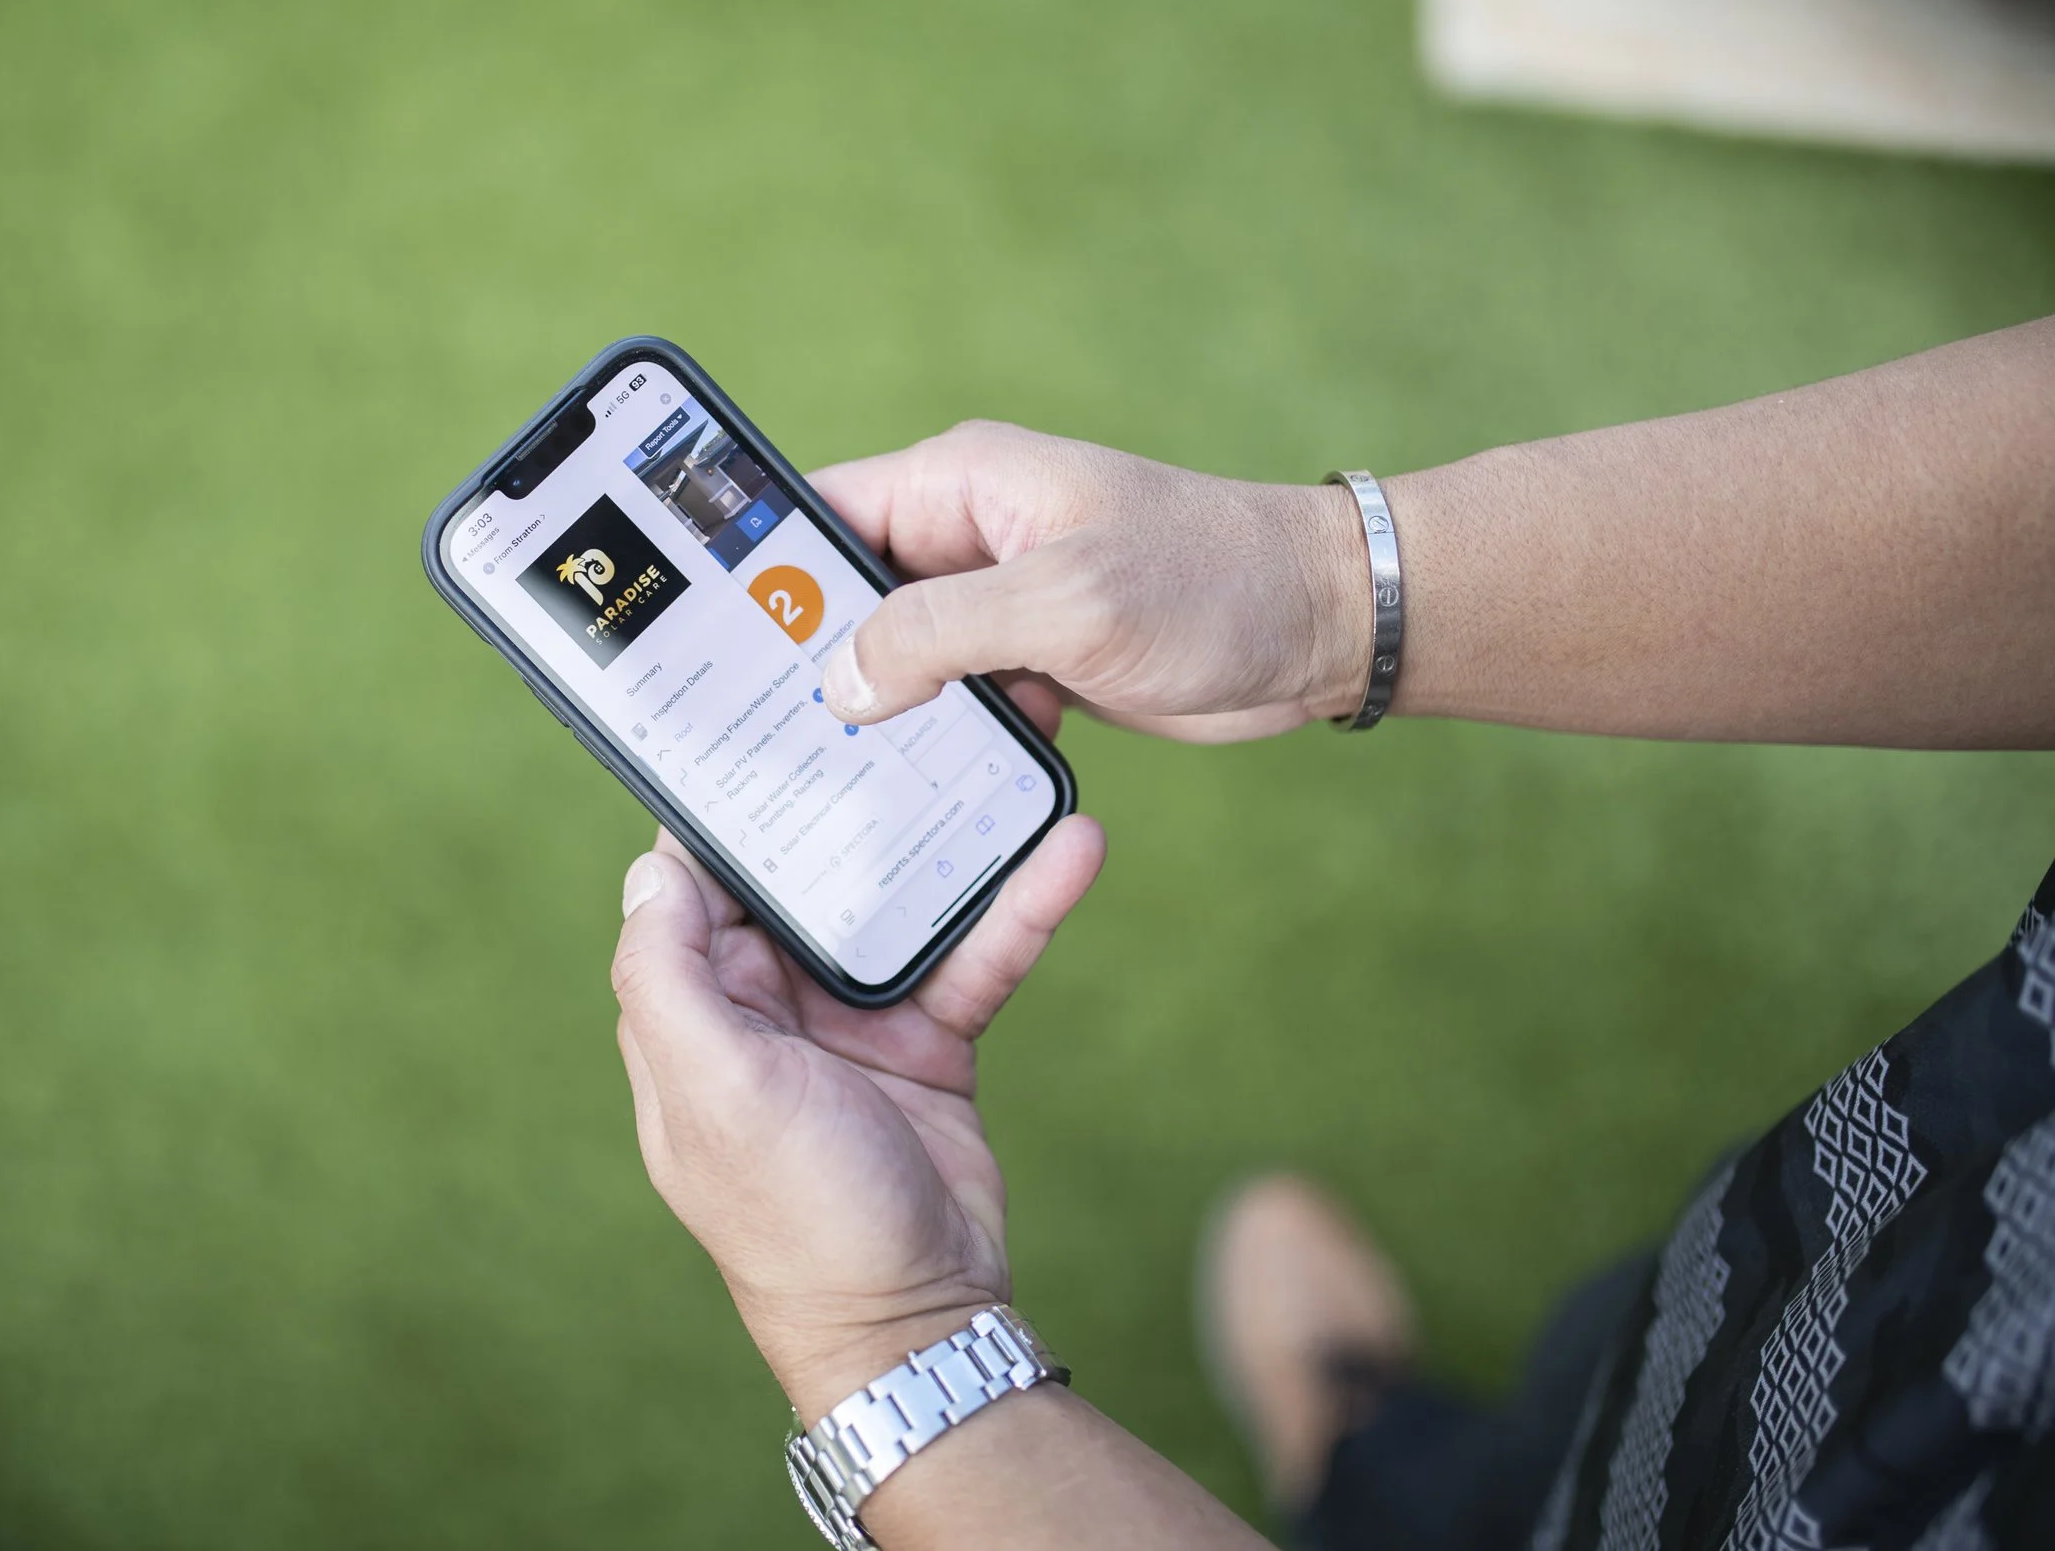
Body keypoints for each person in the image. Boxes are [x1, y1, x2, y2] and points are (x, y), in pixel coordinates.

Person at [607, 317, 2055, 1550]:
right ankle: (1381, 1445)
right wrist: (1313, 590)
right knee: (1633, 1392)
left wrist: (886, 1332)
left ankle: (1355, 1467)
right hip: (1908, 1227)